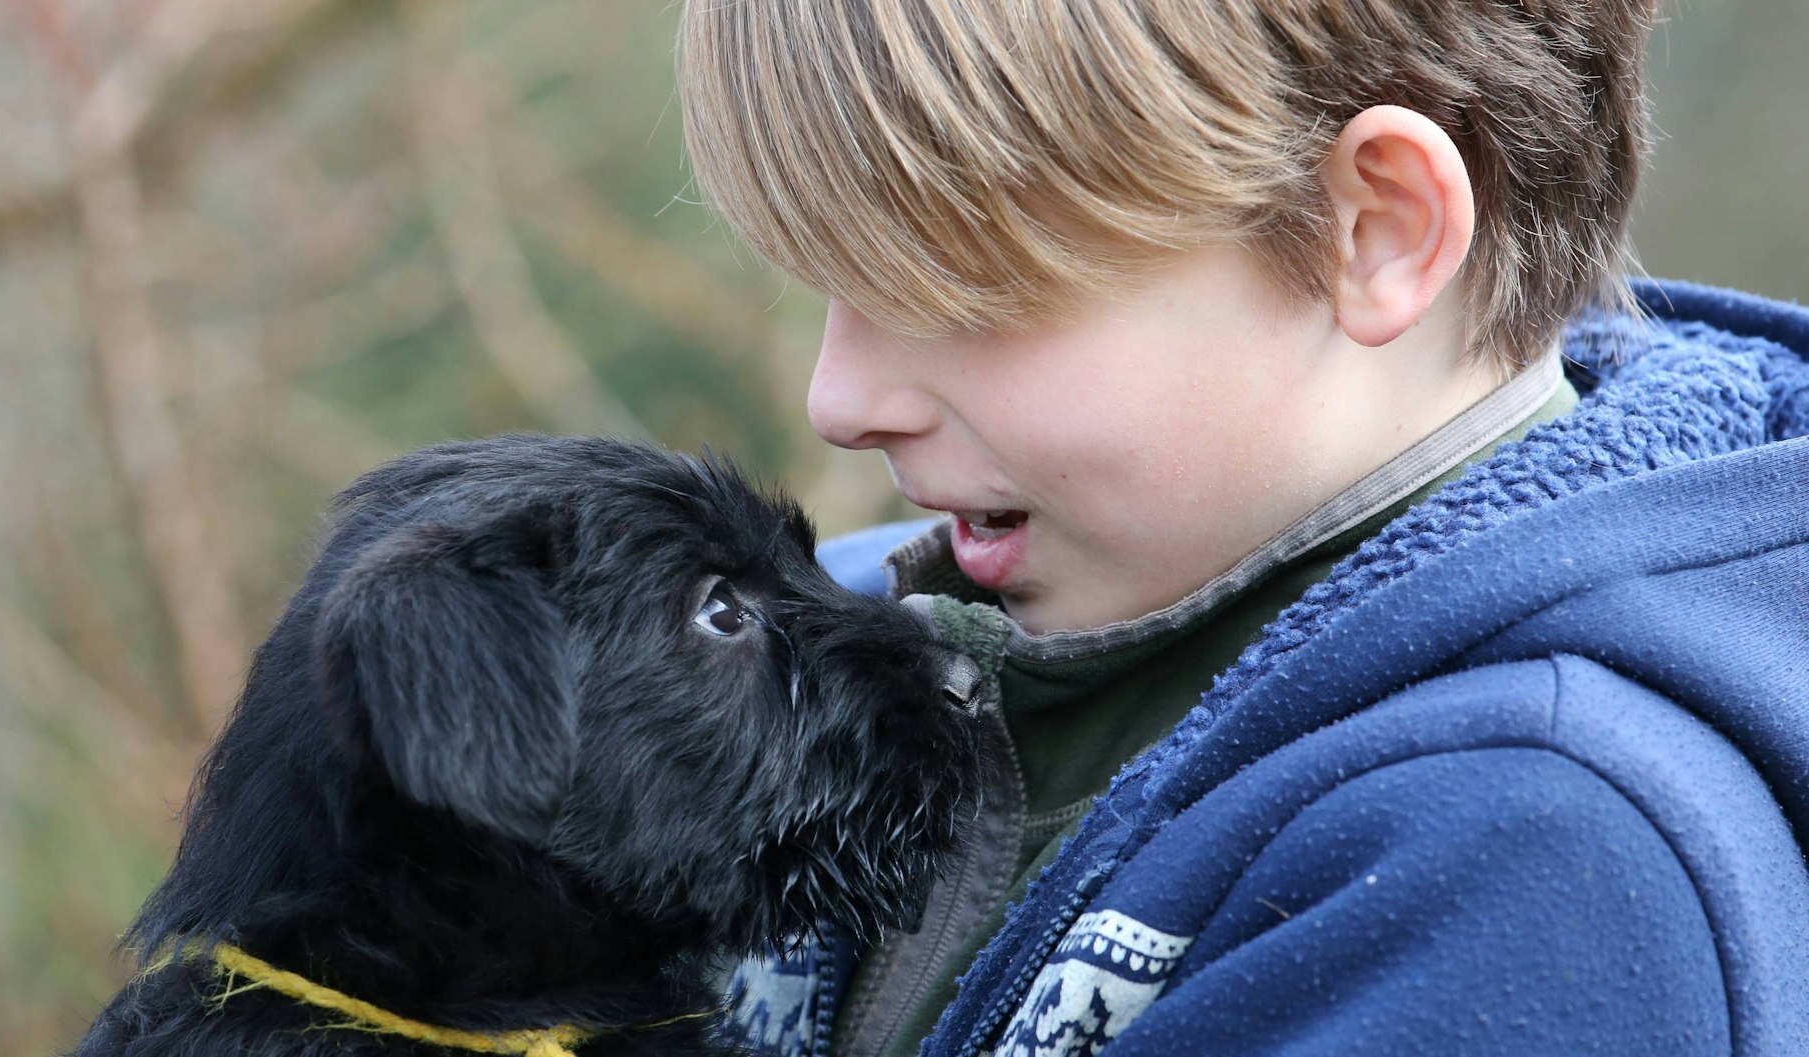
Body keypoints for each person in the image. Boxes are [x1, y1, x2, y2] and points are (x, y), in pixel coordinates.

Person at [675, 2, 1809, 1054]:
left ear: (1372, 229)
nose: (840, 401)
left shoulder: (1536, 858)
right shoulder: (818, 630)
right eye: (826, 278)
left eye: (950, 287)